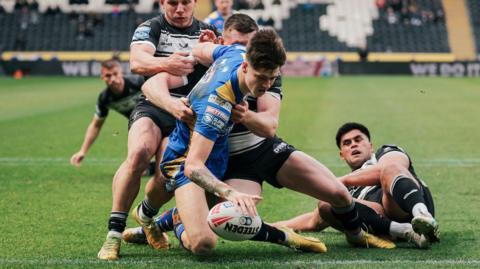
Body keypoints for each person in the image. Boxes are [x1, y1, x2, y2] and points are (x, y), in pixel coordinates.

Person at [127, 15, 394, 253]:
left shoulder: (240, 56)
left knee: (339, 194)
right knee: (208, 238)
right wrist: (173, 104)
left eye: (272, 77)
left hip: (258, 148)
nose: (267, 84)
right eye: (262, 77)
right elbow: (192, 162)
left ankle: (357, 235)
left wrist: (245, 114)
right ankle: (176, 220)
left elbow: (269, 126)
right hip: (201, 159)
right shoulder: (218, 102)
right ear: (244, 63)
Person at [97, 0, 218, 261]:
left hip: (187, 112)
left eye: (185, 2)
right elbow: (137, 62)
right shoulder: (151, 27)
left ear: (194, 3)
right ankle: (113, 235)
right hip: (154, 104)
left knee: (167, 171)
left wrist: (213, 49)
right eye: (172, 2)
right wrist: (166, 64)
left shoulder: (207, 31)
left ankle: (147, 217)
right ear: (163, 3)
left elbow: (219, 66)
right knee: (139, 153)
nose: (179, 8)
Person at [274, 122, 439, 247]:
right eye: (347, 143)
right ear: (342, 155)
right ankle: (406, 232)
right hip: (380, 218)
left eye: (358, 140)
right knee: (326, 203)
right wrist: (269, 227)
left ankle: (424, 217)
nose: (353, 144)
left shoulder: (385, 153)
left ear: (370, 146)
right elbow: (313, 221)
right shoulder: (342, 187)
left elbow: (390, 168)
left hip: (404, 204)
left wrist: (342, 181)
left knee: (390, 169)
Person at [70, 59, 155, 175]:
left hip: (160, 120)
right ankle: (152, 167)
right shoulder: (104, 99)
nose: (113, 79)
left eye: (115, 74)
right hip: (139, 128)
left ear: (121, 73)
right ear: (102, 77)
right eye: (108, 76)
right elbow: (96, 125)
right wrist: (82, 151)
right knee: (138, 168)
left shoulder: (138, 82)